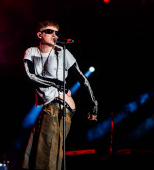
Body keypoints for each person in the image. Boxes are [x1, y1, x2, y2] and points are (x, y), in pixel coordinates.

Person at [22, 20, 98, 170]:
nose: (54, 35)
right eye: (50, 31)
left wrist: (93, 105)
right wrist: (57, 82)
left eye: (57, 33)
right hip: (47, 107)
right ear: (40, 34)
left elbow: (82, 79)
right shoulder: (31, 52)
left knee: (46, 157)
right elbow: (30, 76)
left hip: (59, 106)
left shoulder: (62, 52)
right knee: (34, 156)